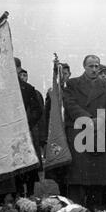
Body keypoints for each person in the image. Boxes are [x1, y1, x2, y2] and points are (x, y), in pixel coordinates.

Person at [62, 55, 106, 210]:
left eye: (96, 66)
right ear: (84, 67)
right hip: (79, 132)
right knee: (77, 179)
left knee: (97, 179)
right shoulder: (72, 84)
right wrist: (87, 118)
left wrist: (99, 119)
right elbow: (70, 104)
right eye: (90, 66)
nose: (94, 69)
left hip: (99, 132)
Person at [13, 57, 42, 197]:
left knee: (28, 165)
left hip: (24, 132)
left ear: (18, 69)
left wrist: (26, 123)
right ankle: (16, 193)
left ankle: (30, 193)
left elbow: (37, 110)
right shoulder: (0, 87)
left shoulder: (27, 88)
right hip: (7, 133)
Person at [44, 61, 71, 196]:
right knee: (60, 171)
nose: (63, 77)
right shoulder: (52, 94)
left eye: (65, 74)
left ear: (69, 75)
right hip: (58, 134)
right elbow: (48, 114)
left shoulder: (72, 91)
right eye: (60, 74)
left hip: (71, 134)